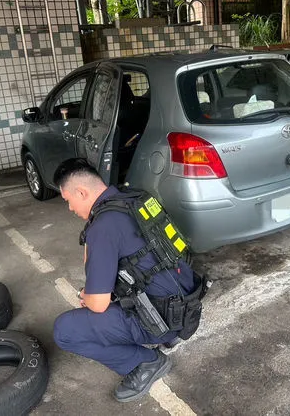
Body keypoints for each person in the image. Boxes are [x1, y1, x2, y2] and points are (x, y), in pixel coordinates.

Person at [52, 158, 201, 402]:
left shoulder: (102, 227)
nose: (69, 208)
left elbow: (97, 303)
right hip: (187, 303)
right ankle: (167, 333)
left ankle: (147, 363)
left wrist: (86, 295)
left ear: (81, 191)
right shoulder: (134, 198)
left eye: (68, 200)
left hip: (163, 320)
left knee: (64, 330)